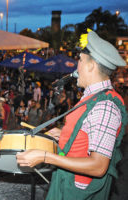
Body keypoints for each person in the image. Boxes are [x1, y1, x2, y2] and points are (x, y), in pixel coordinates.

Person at [16, 30, 127, 200]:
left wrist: (45, 156)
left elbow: (98, 166)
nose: (77, 67)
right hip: (69, 181)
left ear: (91, 65)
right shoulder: (93, 96)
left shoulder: (105, 107)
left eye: (80, 61)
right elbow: (90, 133)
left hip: (78, 191)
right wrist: (67, 134)